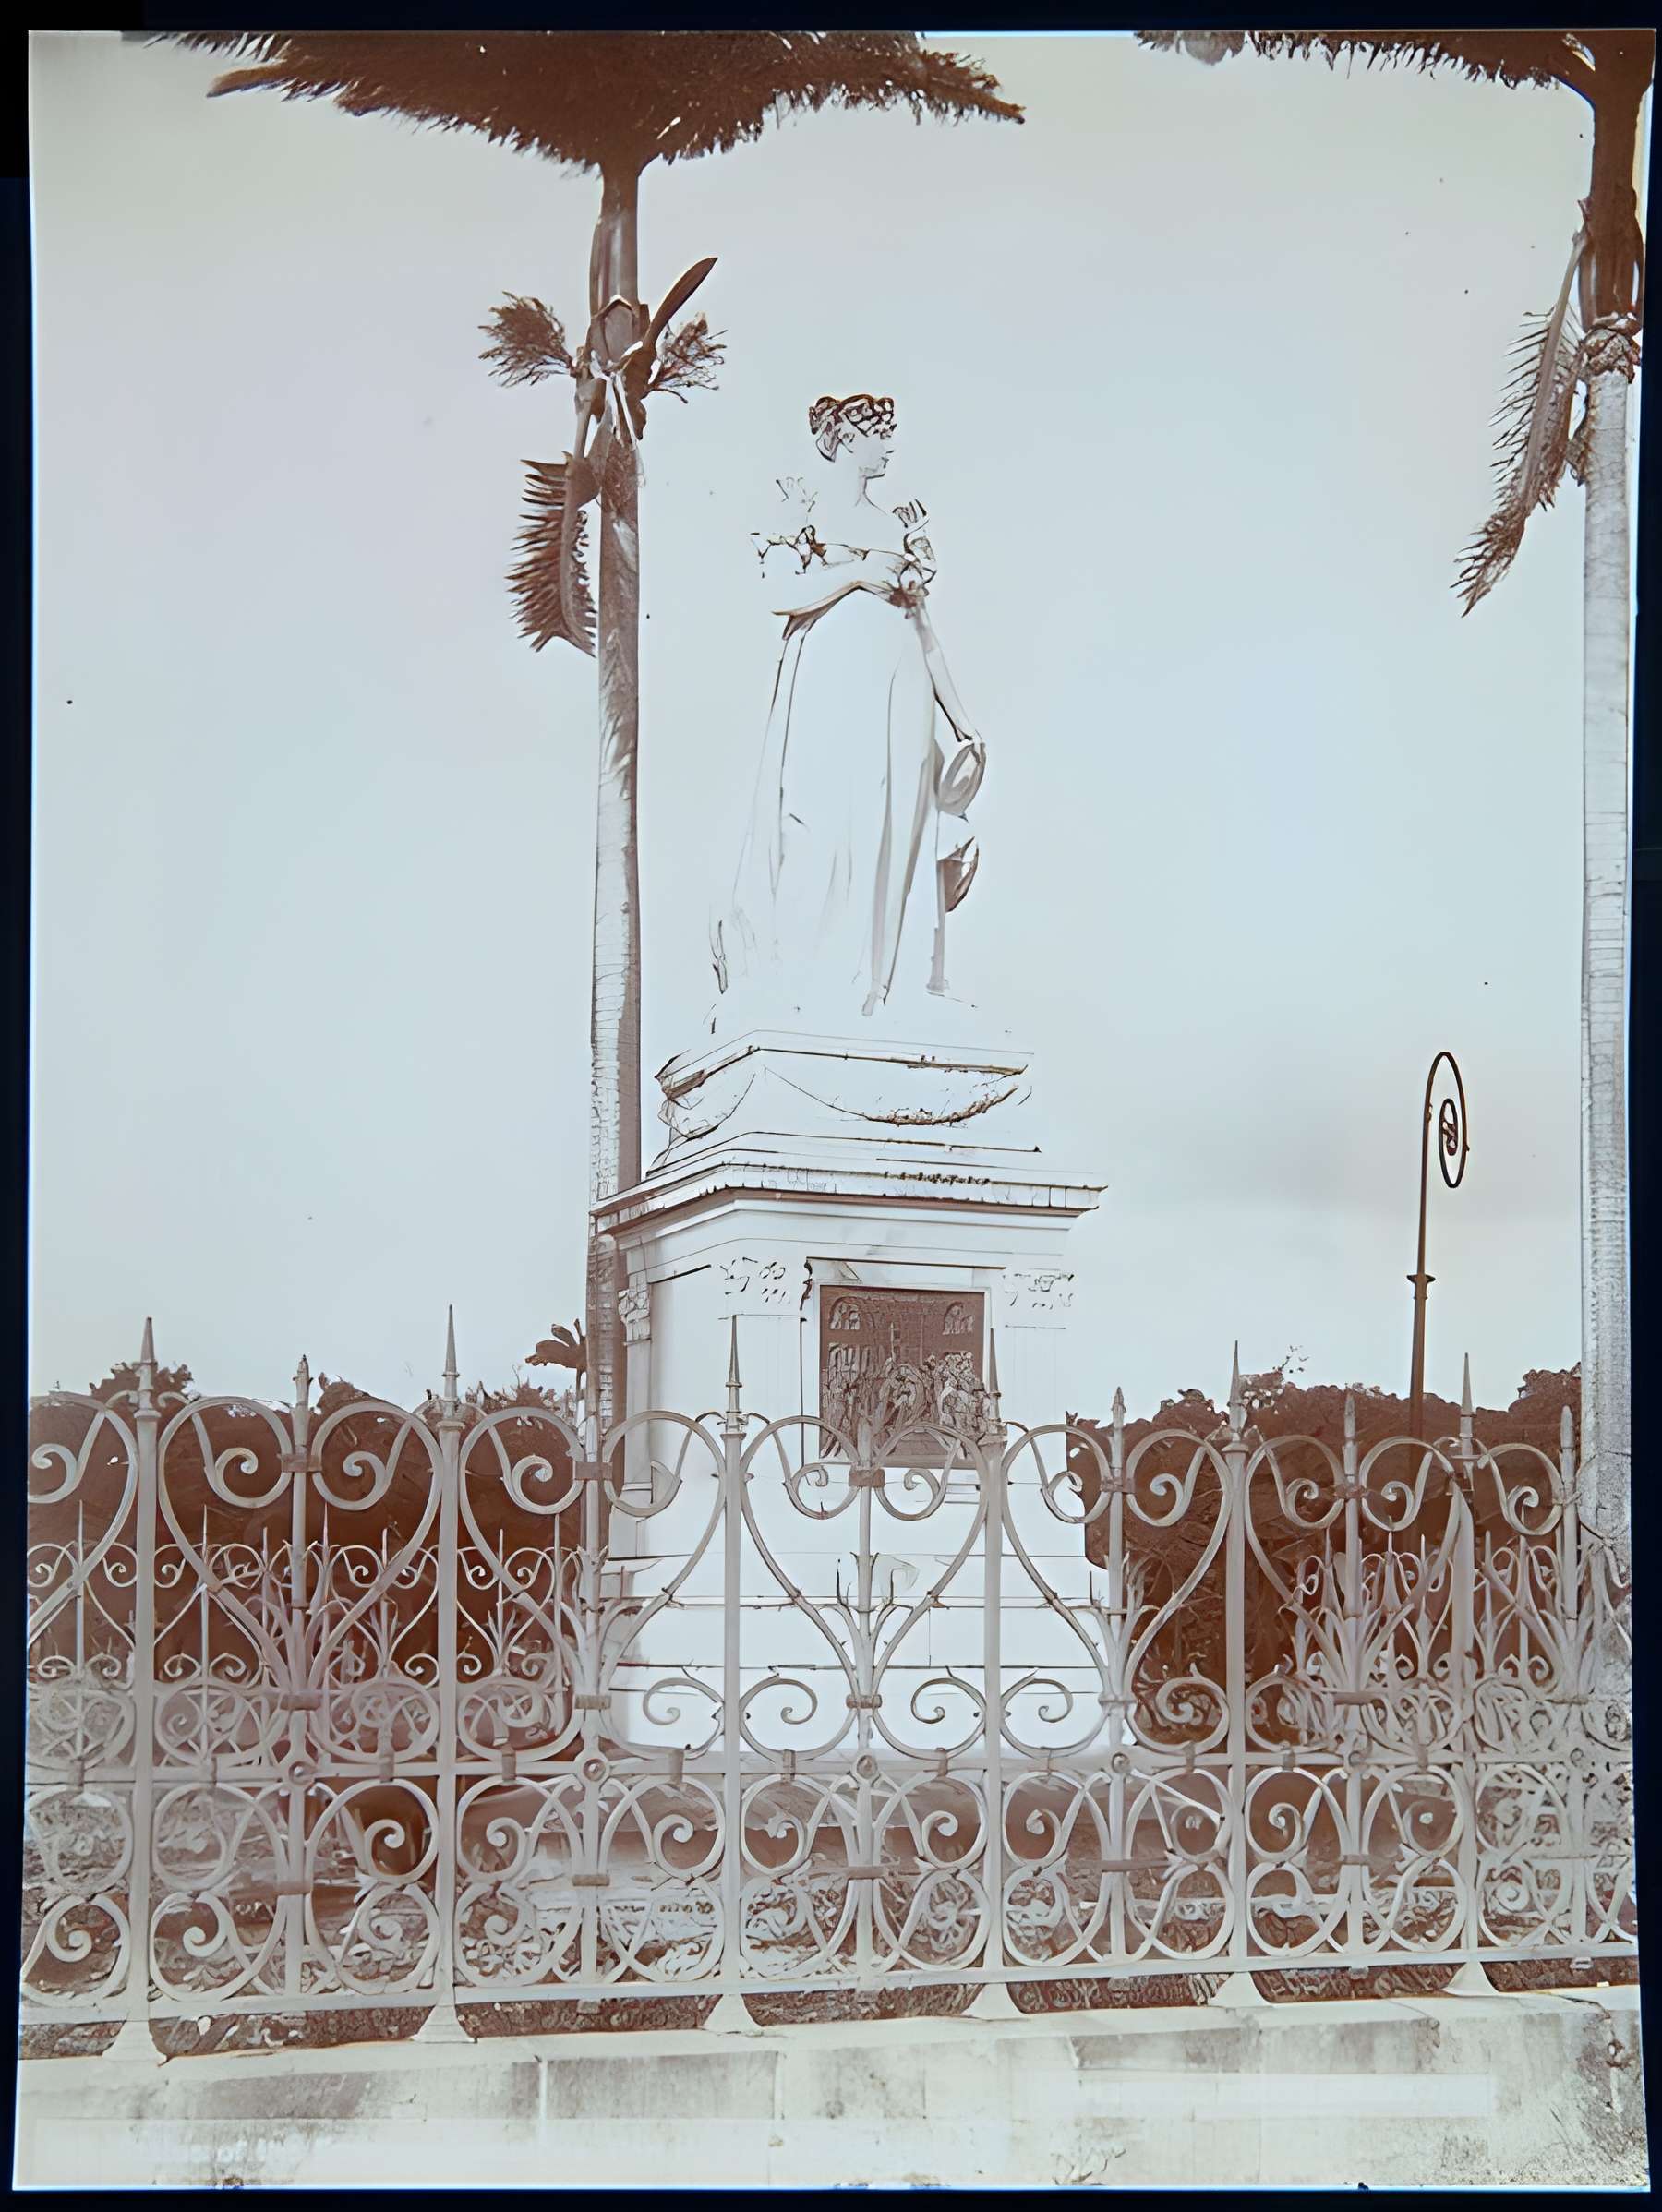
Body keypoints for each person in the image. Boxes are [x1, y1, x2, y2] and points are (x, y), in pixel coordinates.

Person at [709, 393, 987, 1034]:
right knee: (823, 819)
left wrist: (960, 718)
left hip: (900, 681)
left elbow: (924, 630)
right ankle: (815, 980)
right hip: (832, 680)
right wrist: (860, 573)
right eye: (879, 434)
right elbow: (783, 593)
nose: (889, 447)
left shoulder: (899, 525)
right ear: (848, 437)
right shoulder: (801, 507)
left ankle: (895, 984)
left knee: (898, 822)